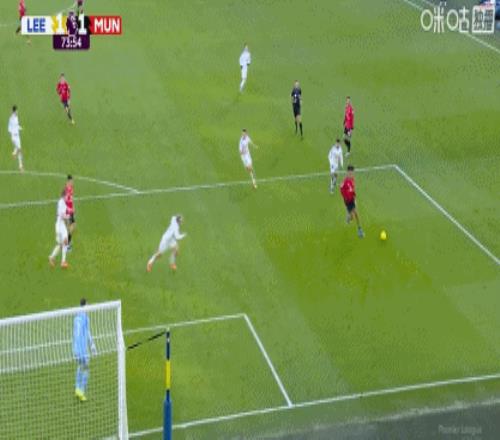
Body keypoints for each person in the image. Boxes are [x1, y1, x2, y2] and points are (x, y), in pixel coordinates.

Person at [73, 298, 97, 402]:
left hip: (75, 348)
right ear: (84, 306)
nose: (89, 306)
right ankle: (81, 391)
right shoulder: (85, 318)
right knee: (86, 368)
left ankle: (77, 388)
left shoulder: (76, 317)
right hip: (82, 349)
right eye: (88, 305)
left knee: (80, 366)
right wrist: (92, 346)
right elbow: (87, 333)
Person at [340, 165, 364, 238]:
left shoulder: (352, 179)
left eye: (352, 172)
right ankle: (349, 217)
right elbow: (341, 190)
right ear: (347, 172)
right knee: (352, 216)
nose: (351, 174)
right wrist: (345, 198)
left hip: (352, 199)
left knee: (356, 214)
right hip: (348, 201)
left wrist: (354, 196)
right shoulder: (345, 181)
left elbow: (353, 188)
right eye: (350, 172)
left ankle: (359, 229)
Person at [49, 189, 70, 268]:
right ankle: (61, 261)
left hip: (60, 225)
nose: (68, 197)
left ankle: (54, 258)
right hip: (60, 225)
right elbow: (61, 215)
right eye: (67, 195)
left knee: (62, 243)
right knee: (64, 242)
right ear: (63, 196)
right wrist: (67, 217)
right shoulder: (61, 202)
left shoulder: (63, 202)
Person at [8, 106, 24, 172]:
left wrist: (20, 128)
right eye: (16, 110)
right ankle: (14, 154)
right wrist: (12, 134)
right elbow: (9, 129)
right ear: (14, 111)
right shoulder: (11, 118)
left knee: (19, 151)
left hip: (18, 136)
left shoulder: (16, 117)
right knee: (19, 150)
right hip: (14, 137)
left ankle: (20, 166)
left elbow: (16, 125)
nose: (17, 111)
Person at [65, 175, 76, 249]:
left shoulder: (70, 188)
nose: (73, 182)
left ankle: (67, 242)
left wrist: (73, 207)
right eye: (72, 181)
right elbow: (67, 200)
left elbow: (71, 199)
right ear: (69, 181)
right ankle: (68, 243)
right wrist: (70, 209)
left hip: (70, 210)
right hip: (68, 210)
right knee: (72, 226)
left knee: (70, 226)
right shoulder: (68, 189)